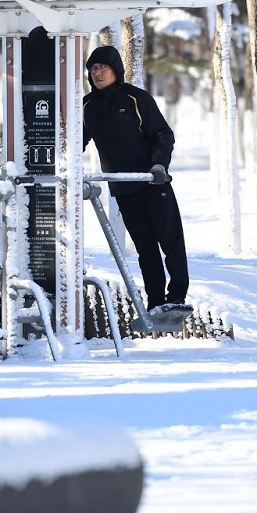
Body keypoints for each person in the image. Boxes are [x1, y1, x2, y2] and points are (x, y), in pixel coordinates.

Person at [82, 45, 190, 316]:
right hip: (124, 188)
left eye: (102, 67)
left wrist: (158, 166)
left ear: (116, 69)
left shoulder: (136, 99)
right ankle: (155, 302)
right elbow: (75, 142)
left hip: (154, 183)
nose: (97, 73)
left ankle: (176, 296)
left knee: (170, 241)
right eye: (92, 69)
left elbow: (163, 134)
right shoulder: (88, 107)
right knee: (145, 248)